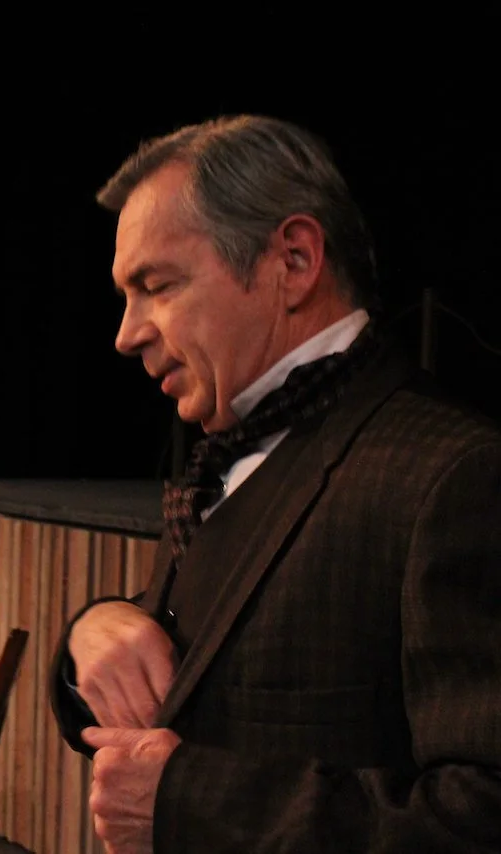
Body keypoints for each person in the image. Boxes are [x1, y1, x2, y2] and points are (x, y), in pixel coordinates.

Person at [47, 115, 501, 852]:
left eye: (155, 285)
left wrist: (189, 802)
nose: (126, 333)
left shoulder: (454, 476)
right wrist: (91, 632)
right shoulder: (233, 446)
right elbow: (220, 649)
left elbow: (484, 813)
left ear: (293, 259)